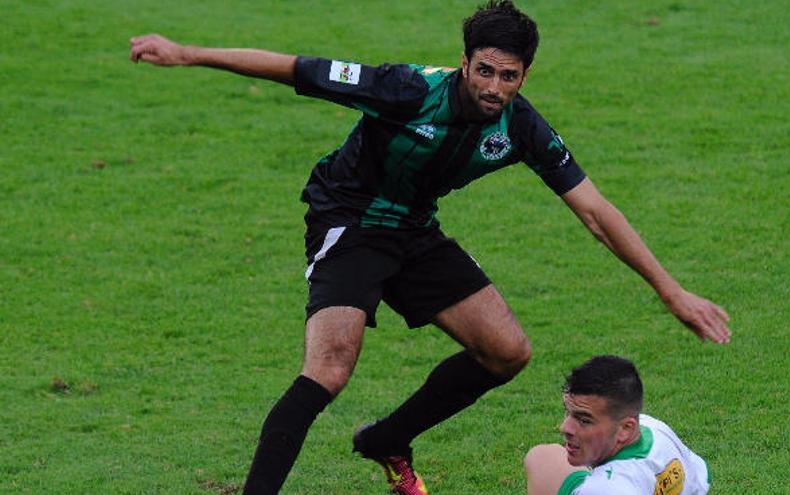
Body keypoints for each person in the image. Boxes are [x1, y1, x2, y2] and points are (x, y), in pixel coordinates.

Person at [129, 1, 730, 494]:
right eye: (485, 71)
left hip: (414, 229)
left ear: (525, 76)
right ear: (465, 62)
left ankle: (389, 439)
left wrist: (670, 290)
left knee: (507, 351)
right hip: (351, 221)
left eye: (510, 76)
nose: (495, 87)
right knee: (330, 369)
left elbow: (596, 212)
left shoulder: (520, 127)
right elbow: (295, 67)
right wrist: (187, 54)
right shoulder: (405, 88)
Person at [524, 355, 712, 495]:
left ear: (625, 429)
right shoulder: (653, 426)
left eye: (584, 420)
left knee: (540, 458)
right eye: (568, 412)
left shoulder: (603, 488)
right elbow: (702, 477)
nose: (565, 428)